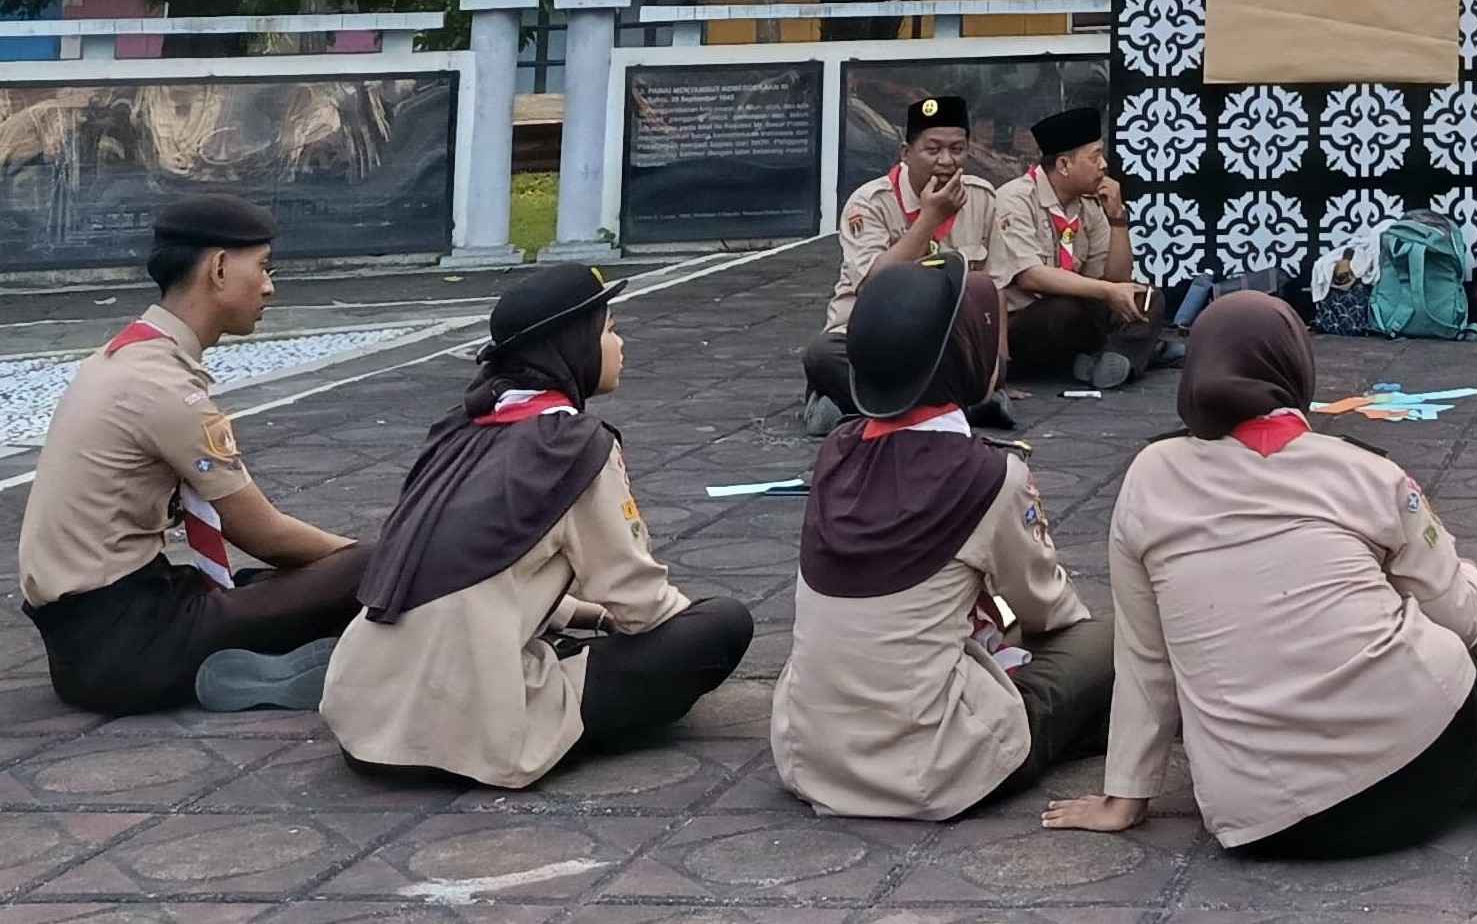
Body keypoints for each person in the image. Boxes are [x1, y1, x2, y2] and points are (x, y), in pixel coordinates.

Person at [1047, 291, 1477, 854]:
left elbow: (1145, 656)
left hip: (1257, 822)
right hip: (1418, 788)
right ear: (1296, 369)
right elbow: (1463, 618)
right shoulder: (1365, 472)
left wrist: (1125, 795)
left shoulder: (1147, 476)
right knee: (1467, 660)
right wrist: (1470, 580)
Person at [325, 265, 751, 785]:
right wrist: (679, 622)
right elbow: (639, 604)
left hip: (364, 722)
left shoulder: (459, 431)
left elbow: (485, 569)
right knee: (721, 625)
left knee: (565, 632)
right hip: (471, 733)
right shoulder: (573, 446)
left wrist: (584, 616)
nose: (620, 344)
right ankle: (545, 704)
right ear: (573, 346)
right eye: (610, 330)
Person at [773, 256, 1116, 817]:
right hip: (932, 766)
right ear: (969, 356)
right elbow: (1048, 609)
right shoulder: (990, 475)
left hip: (810, 754)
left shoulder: (835, 454)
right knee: (1107, 641)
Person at [16, 194, 368, 714]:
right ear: (220, 269)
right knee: (379, 568)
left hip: (92, 640)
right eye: (264, 268)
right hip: (133, 646)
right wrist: (377, 565)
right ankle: (285, 663)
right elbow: (265, 534)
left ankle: (263, 665)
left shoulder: (125, 359)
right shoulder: (161, 388)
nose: (270, 287)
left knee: (287, 584)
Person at [804, 95, 997, 436]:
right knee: (822, 355)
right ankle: (948, 410)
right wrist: (930, 217)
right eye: (933, 149)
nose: (946, 161)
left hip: (944, 340)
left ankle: (860, 409)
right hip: (875, 337)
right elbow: (874, 285)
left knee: (987, 358)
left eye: (957, 149)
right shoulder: (870, 202)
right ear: (906, 153)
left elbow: (995, 291)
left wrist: (994, 371)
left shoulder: (982, 197)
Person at [982, 106, 1167, 390]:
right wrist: (1107, 291)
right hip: (1029, 321)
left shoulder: (1089, 204)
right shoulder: (1015, 199)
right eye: (1095, 157)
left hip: (1079, 314)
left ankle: (1116, 360)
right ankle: (1134, 354)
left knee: (1147, 297)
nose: (1104, 165)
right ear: (1064, 165)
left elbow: (1117, 280)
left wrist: (1118, 219)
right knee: (1063, 311)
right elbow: (1030, 276)